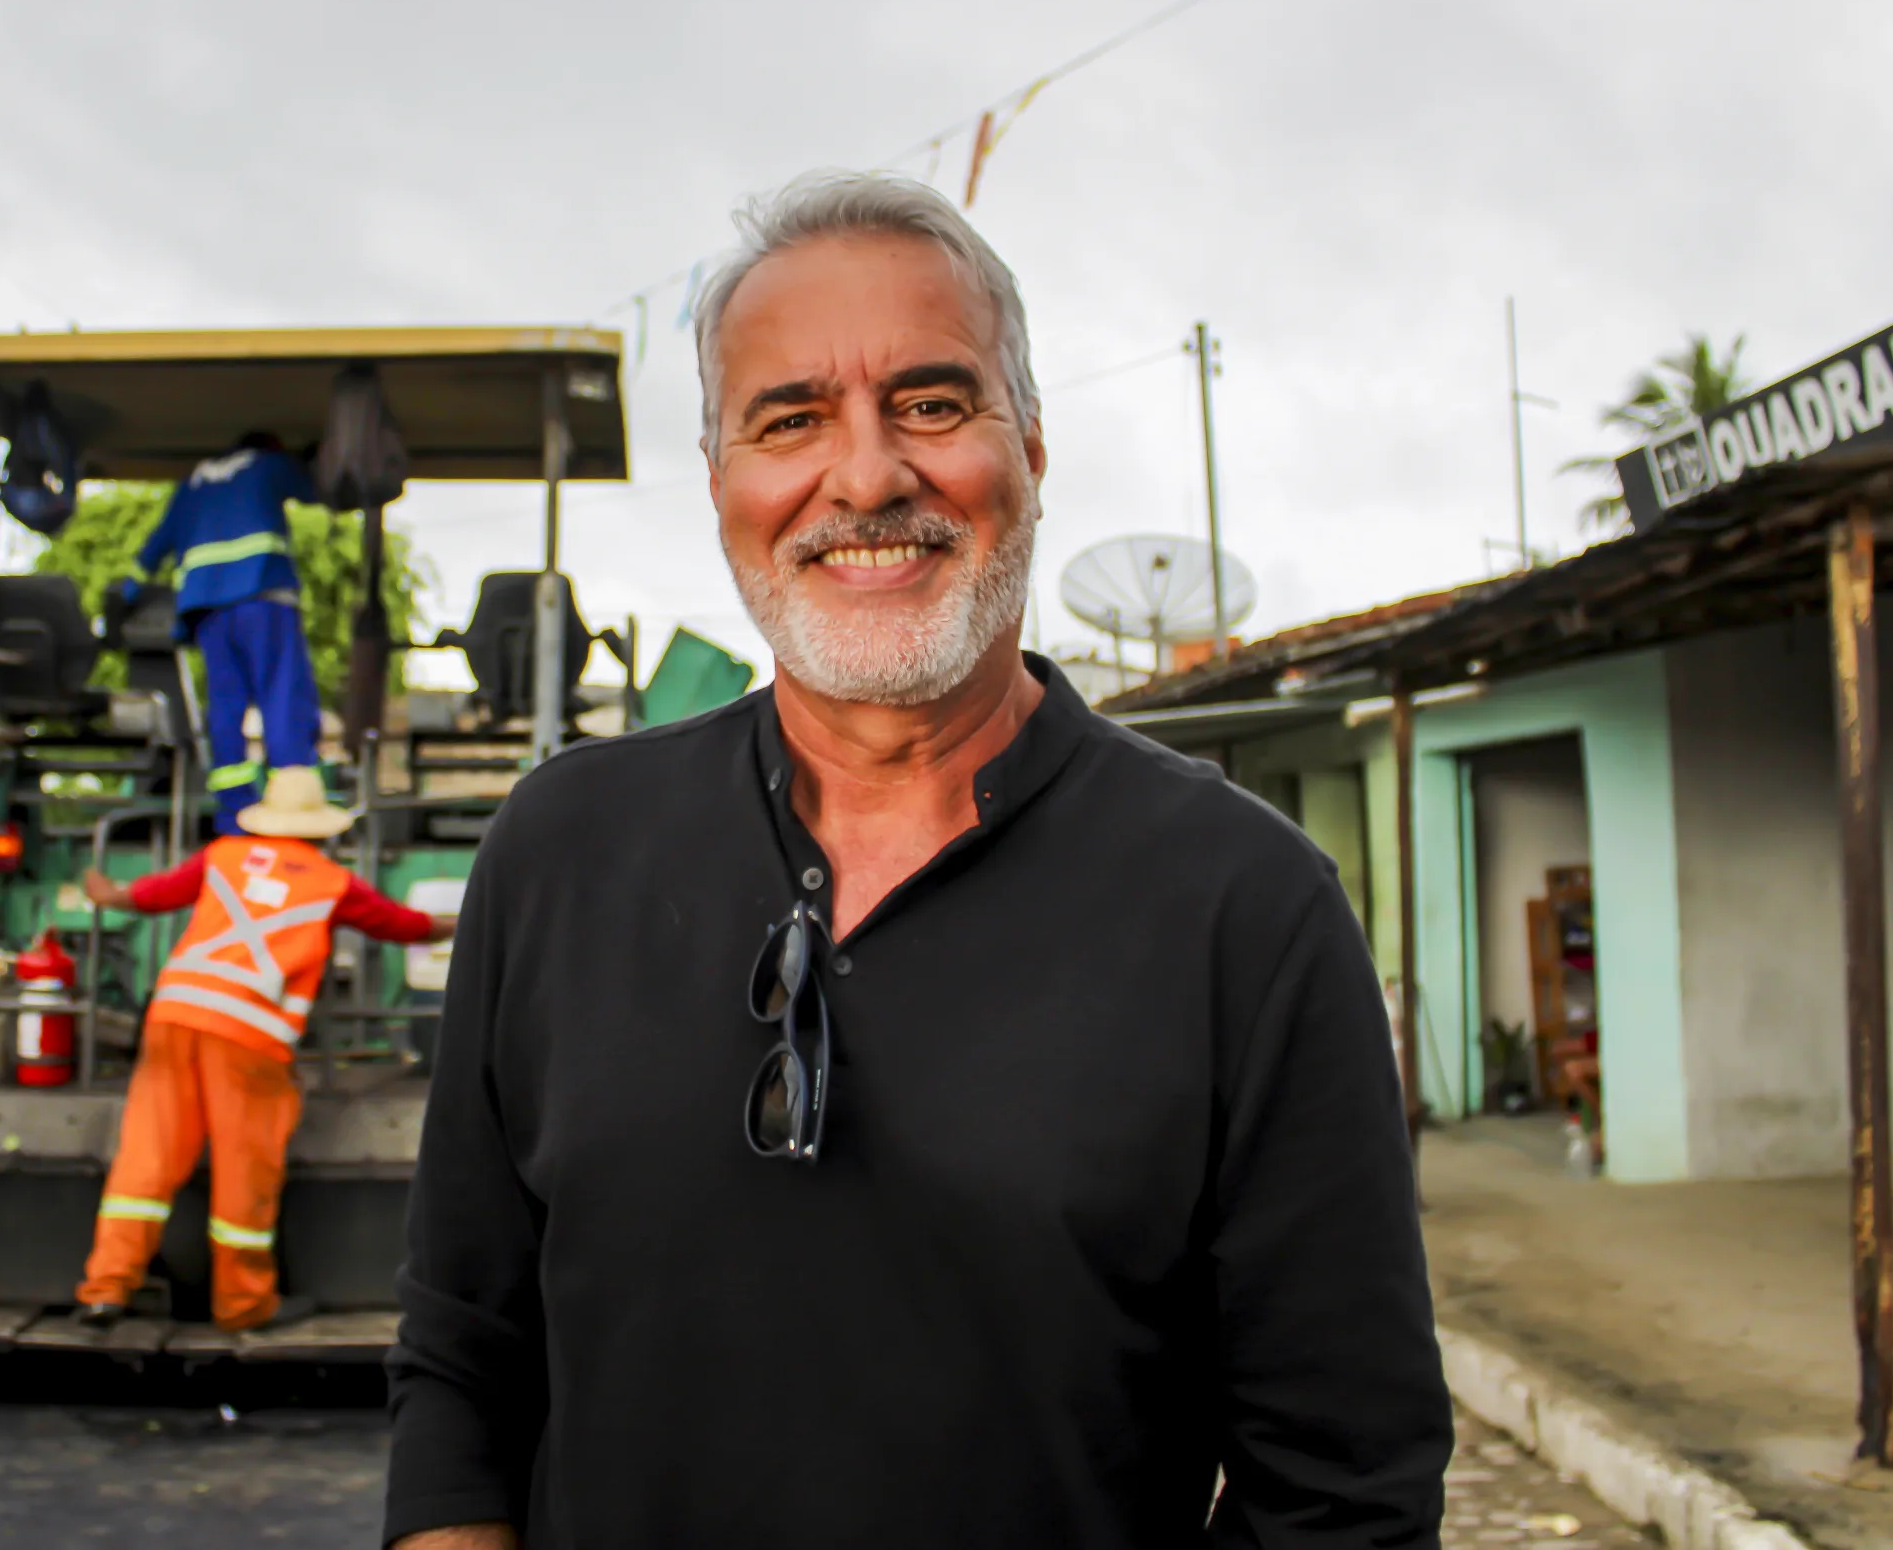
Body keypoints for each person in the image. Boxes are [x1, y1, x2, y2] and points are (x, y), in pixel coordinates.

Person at [383, 174, 1451, 1549]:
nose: (869, 473)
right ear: (722, 483)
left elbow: (1345, 1486)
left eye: (934, 404)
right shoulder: (560, 850)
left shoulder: (1245, 907)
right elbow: (464, 1360)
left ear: (1034, 448)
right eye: (792, 418)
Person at [74, 766, 454, 1332]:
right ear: (323, 831)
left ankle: (106, 1288)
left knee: (147, 1156)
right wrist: (459, 920)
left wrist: (109, 892)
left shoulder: (224, 856)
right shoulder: (331, 882)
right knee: (245, 1165)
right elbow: (401, 925)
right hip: (248, 1035)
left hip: (174, 1016)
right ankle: (244, 1303)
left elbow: (151, 896)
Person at [132, 430, 324, 831]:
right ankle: (292, 808)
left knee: (225, 704)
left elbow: (155, 544)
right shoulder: (269, 465)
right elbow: (316, 490)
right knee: (282, 693)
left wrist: (130, 589)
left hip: (206, 608)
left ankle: (234, 811)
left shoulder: (193, 483)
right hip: (263, 596)